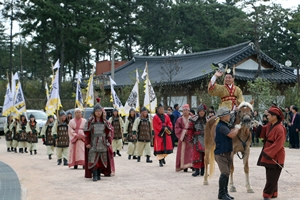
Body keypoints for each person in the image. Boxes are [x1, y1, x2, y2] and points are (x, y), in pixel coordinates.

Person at [256, 106, 286, 200]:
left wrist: (268, 152)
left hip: (276, 155)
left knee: (272, 177)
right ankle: (273, 193)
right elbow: (264, 130)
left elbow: (278, 144)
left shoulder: (280, 128)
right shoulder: (270, 125)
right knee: (270, 175)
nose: (267, 117)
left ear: (274, 116)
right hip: (269, 152)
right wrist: (257, 126)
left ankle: (267, 195)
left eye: (268, 115)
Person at [84, 98, 115, 181]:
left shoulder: (105, 121)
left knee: (102, 159)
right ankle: (94, 174)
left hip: (103, 142)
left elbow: (108, 132)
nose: (98, 113)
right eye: (97, 111)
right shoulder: (90, 121)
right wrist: (87, 143)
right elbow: (86, 133)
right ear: (94, 112)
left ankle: (99, 174)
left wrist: (109, 141)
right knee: (93, 158)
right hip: (93, 142)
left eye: (100, 111)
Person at [214, 107, 240, 200]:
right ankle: (221, 194)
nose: (229, 116)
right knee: (224, 173)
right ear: (223, 116)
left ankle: (225, 193)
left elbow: (230, 132)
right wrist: (237, 129)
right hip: (221, 154)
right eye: (228, 115)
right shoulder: (221, 126)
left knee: (227, 173)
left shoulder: (225, 125)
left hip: (226, 153)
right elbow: (232, 135)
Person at [175, 104, 194, 172]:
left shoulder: (192, 118)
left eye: (186, 110)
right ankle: (184, 166)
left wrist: (190, 132)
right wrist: (184, 132)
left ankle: (192, 165)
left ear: (189, 111)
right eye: (184, 110)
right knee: (183, 152)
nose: (185, 111)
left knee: (191, 152)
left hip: (191, 138)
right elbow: (177, 128)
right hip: (183, 138)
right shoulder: (179, 119)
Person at [190, 104, 207, 177]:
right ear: (198, 112)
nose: (201, 112)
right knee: (196, 155)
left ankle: (203, 170)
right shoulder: (193, 119)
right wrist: (190, 138)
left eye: (203, 111)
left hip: (206, 139)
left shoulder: (208, 120)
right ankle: (197, 170)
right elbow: (190, 130)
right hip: (196, 139)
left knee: (205, 155)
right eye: (200, 111)